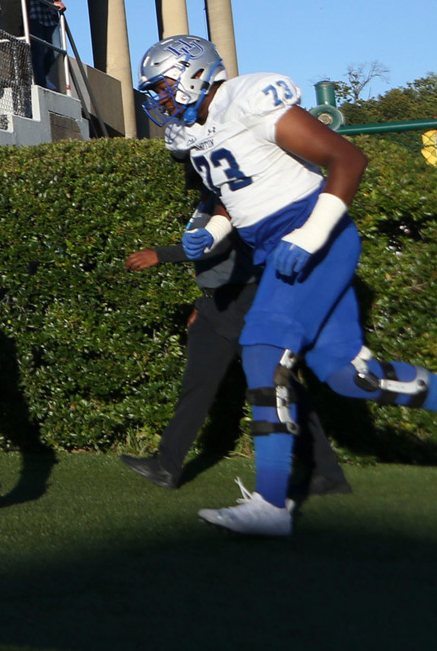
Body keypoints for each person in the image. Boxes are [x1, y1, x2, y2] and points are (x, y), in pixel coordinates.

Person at [136, 36, 431, 536]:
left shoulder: (246, 97)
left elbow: (347, 159)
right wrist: (214, 229)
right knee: (347, 376)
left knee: (261, 346)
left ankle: (272, 505)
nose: (160, 101)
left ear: (193, 73)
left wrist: (313, 232)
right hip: (273, 243)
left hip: (316, 230)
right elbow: (236, 192)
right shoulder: (194, 131)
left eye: (163, 87)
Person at [120, 208, 347, 495]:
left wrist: (160, 254)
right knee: (197, 386)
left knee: (278, 387)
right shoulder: (207, 201)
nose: (189, 168)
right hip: (215, 307)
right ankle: (166, 466)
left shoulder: (235, 197)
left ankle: (325, 471)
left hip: (248, 303)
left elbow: (222, 244)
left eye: (189, 161)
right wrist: (206, 304)